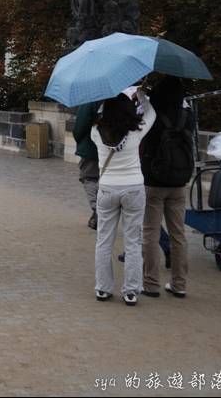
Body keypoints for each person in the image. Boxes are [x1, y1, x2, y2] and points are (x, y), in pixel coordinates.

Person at [91, 87, 156, 305]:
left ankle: (103, 287)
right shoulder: (136, 131)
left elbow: (97, 115)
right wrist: (141, 96)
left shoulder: (96, 132)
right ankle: (131, 290)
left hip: (107, 188)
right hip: (134, 188)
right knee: (133, 241)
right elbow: (151, 113)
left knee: (104, 240)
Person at [139, 76, 194, 299]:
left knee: (150, 232)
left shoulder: (152, 114)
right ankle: (179, 283)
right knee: (178, 234)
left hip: (153, 179)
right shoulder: (187, 116)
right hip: (179, 180)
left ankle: (151, 283)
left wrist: (142, 93)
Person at [72, 103, 100, 229]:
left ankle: (98, 210)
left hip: (91, 148)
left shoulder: (91, 99)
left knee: (89, 177)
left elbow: (79, 127)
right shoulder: (122, 97)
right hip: (117, 149)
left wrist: (81, 142)